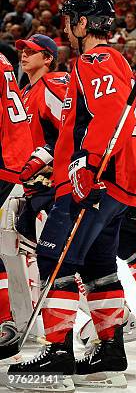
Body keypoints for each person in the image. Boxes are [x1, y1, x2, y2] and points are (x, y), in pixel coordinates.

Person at [7, 0, 136, 390]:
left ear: (85, 23)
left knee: (57, 263)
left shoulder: (96, 59)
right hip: (110, 184)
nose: (65, 25)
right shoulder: (97, 63)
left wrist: (87, 162)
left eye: (70, 18)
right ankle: (109, 352)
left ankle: (57, 356)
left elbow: (109, 113)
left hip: (93, 182)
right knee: (99, 270)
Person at [0, 42, 34, 366]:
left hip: (7, 160)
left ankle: (6, 324)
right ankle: (10, 323)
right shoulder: (4, 64)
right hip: (16, 162)